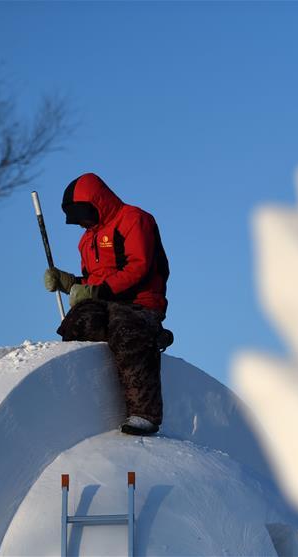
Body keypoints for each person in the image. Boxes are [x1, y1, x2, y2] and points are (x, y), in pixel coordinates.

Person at [42, 172, 172, 436]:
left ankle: (144, 413)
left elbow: (139, 267)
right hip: (108, 302)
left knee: (125, 329)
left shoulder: (134, 220)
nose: (81, 224)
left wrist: (97, 290)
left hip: (140, 304)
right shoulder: (87, 240)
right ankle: (78, 405)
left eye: (83, 216)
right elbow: (93, 281)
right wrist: (69, 282)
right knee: (79, 321)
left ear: (96, 204)